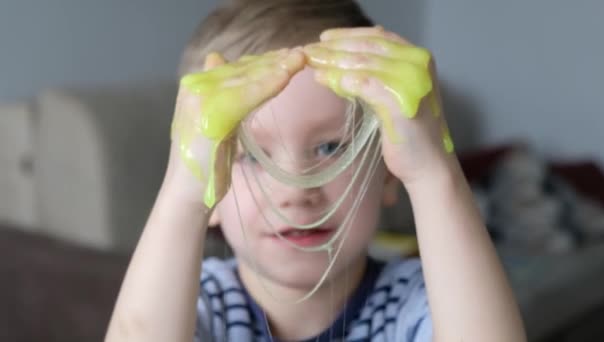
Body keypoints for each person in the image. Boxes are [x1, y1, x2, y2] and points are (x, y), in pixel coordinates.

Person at [105, 0, 526, 341]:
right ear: (208, 191)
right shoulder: (195, 302)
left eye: (330, 147)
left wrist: (433, 172)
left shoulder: (419, 299)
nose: (295, 190)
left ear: (387, 172)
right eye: (252, 154)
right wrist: (183, 194)